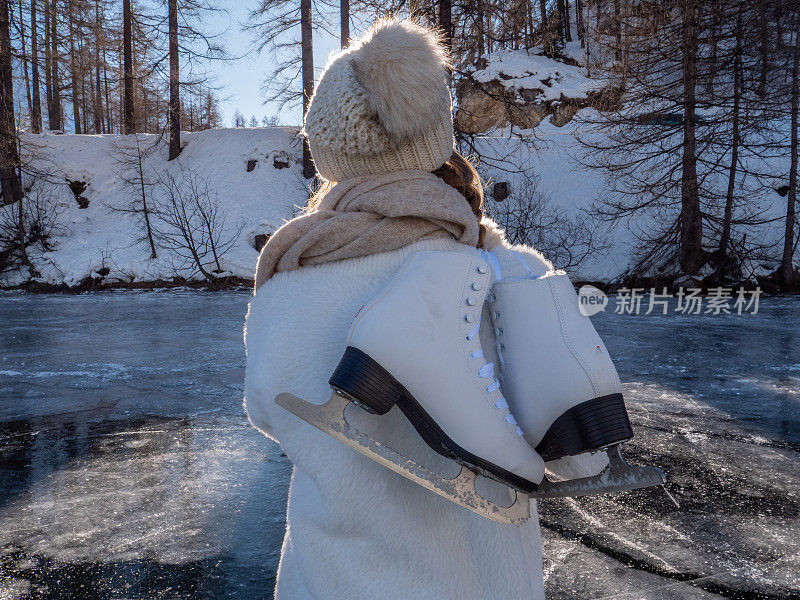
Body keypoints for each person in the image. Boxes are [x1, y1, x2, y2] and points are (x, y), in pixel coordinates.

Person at [244, 18, 602, 599]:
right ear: (435, 137)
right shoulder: (513, 276)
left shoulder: (288, 292)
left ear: (328, 150)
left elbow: (271, 416)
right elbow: (579, 456)